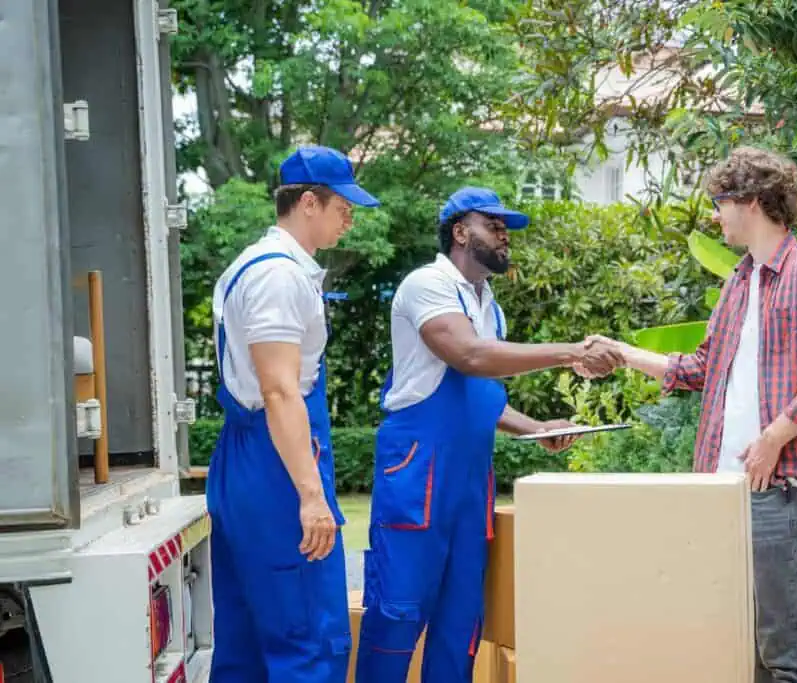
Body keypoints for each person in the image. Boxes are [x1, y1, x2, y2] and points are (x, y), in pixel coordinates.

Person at [586, 147, 797, 683]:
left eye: (720, 201)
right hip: (726, 488)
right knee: (745, 650)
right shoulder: (740, 282)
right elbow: (699, 368)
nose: (714, 215)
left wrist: (774, 438)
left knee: (789, 654)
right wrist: (622, 351)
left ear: (754, 201)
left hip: (780, 486)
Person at [355, 186, 622, 683]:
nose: (504, 236)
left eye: (506, 229)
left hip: (471, 478)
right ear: (460, 231)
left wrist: (535, 427)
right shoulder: (427, 284)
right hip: (419, 468)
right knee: (399, 611)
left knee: (461, 622)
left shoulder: (486, 300)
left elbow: (479, 394)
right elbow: (471, 357)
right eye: (493, 225)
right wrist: (572, 351)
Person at [206, 145, 381, 682]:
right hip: (276, 459)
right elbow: (280, 391)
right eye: (342, 205)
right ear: (308, 202)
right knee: (308, 638)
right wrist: (311, 495)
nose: (349, 217)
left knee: (247, 640)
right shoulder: (278, 277)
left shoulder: (259, 266)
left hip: (252, 454)